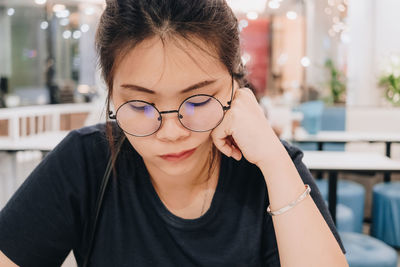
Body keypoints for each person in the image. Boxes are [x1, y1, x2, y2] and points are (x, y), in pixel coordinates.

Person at [0, 1, 348, 266]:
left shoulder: (270, 167)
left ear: (235, 87)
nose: (170, 133)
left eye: (198, 101)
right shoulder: (85, 162)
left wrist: (274, 160)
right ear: (111, 95)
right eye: (139, 107)